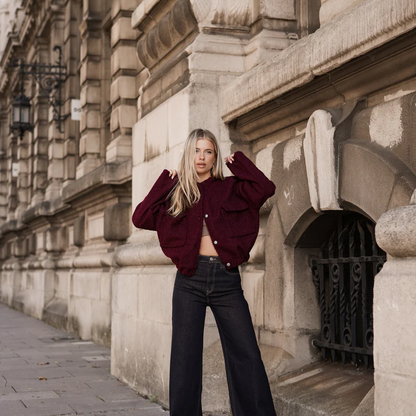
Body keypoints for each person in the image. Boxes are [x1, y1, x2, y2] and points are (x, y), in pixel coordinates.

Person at [132, 128, 277, 416]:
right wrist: (165, 182)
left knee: (246, 353)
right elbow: (140, 217)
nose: (201, 157)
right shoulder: (177, 192)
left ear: (215, 157)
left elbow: (265, 189)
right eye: (196, 151)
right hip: (189, 280)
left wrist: (240, 164)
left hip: (226, 279)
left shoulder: (231, 186)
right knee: (185, 360)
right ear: (188, 154)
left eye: (208, 151)